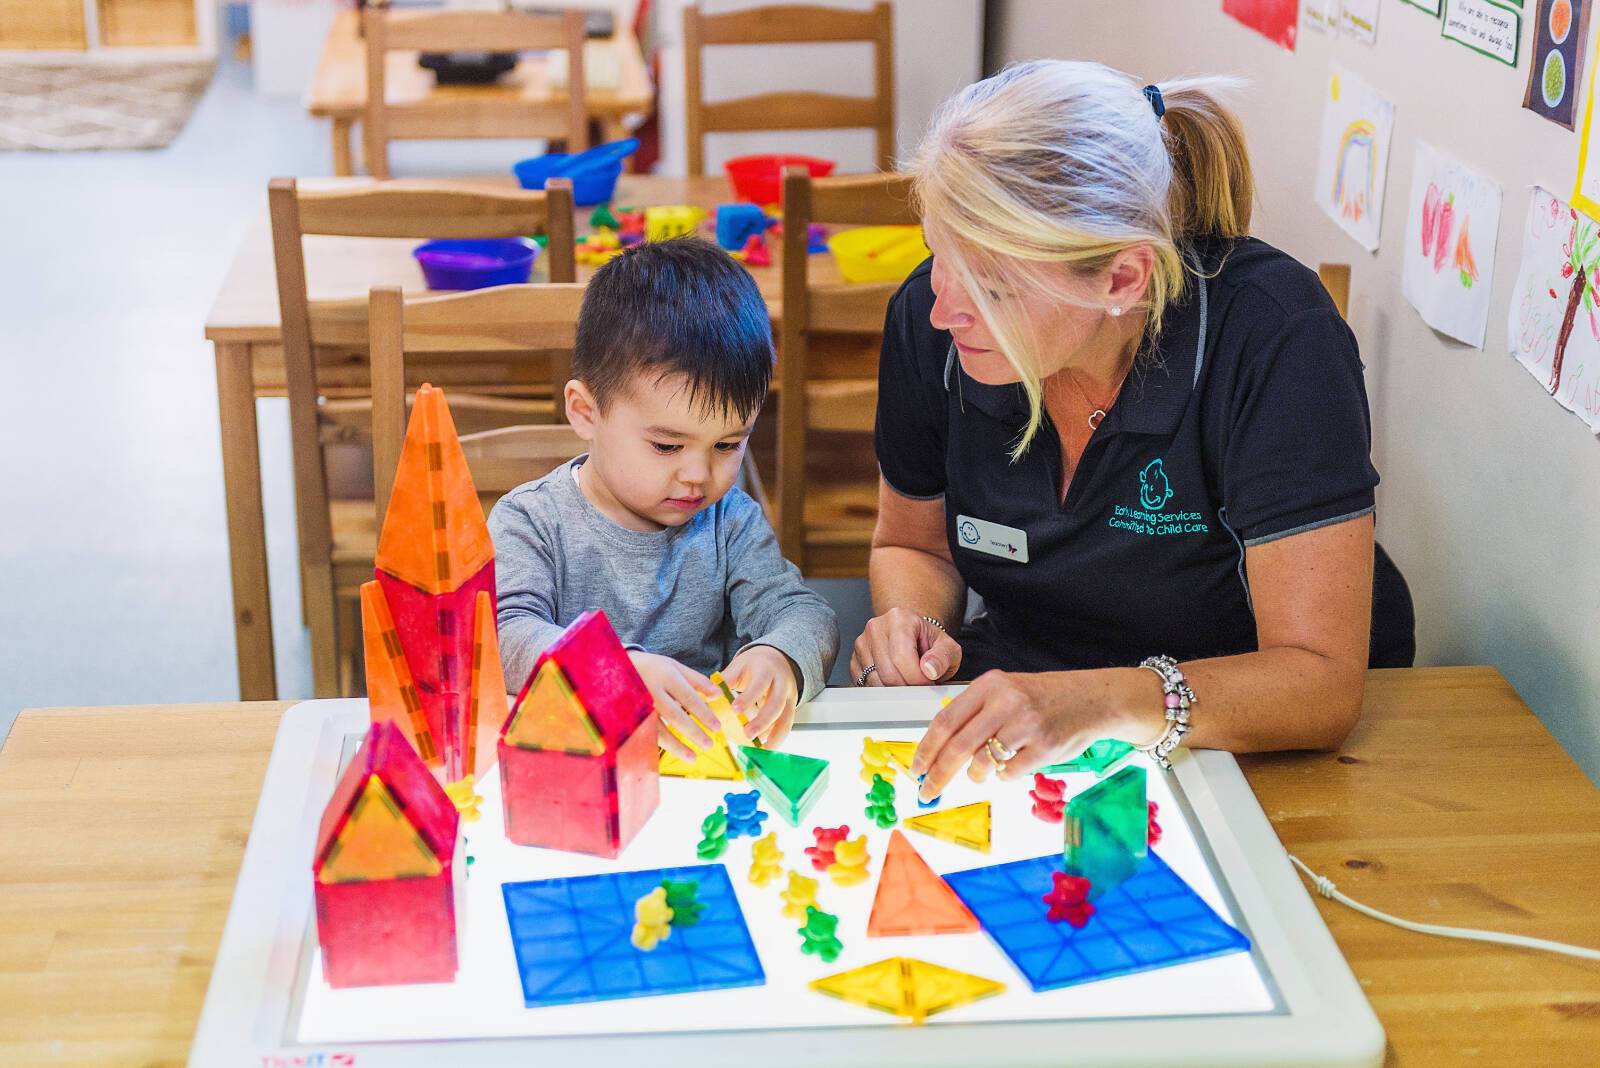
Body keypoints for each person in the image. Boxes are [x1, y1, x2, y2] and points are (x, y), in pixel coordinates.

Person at [852, 62, 1415, 802]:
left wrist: (1100, 702)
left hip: (1246, 740)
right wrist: (912, 626)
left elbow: (1317, 683)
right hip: (1025, 708)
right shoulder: (937, 328)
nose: (940, 309)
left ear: (1123, 280)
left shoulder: (1274, 337)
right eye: (939, 256)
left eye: (991, 286)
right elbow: (912, 543)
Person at [491, 238, 838, 757]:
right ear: (586, 412)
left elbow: (804, 614)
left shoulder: (730, 522)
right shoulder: (532, 521)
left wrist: (779, 656)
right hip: (576, 775)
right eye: (666, 445)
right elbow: (506, 637)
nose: (697, 475)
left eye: (727, 444)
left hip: (698, 776)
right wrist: (612, 671)